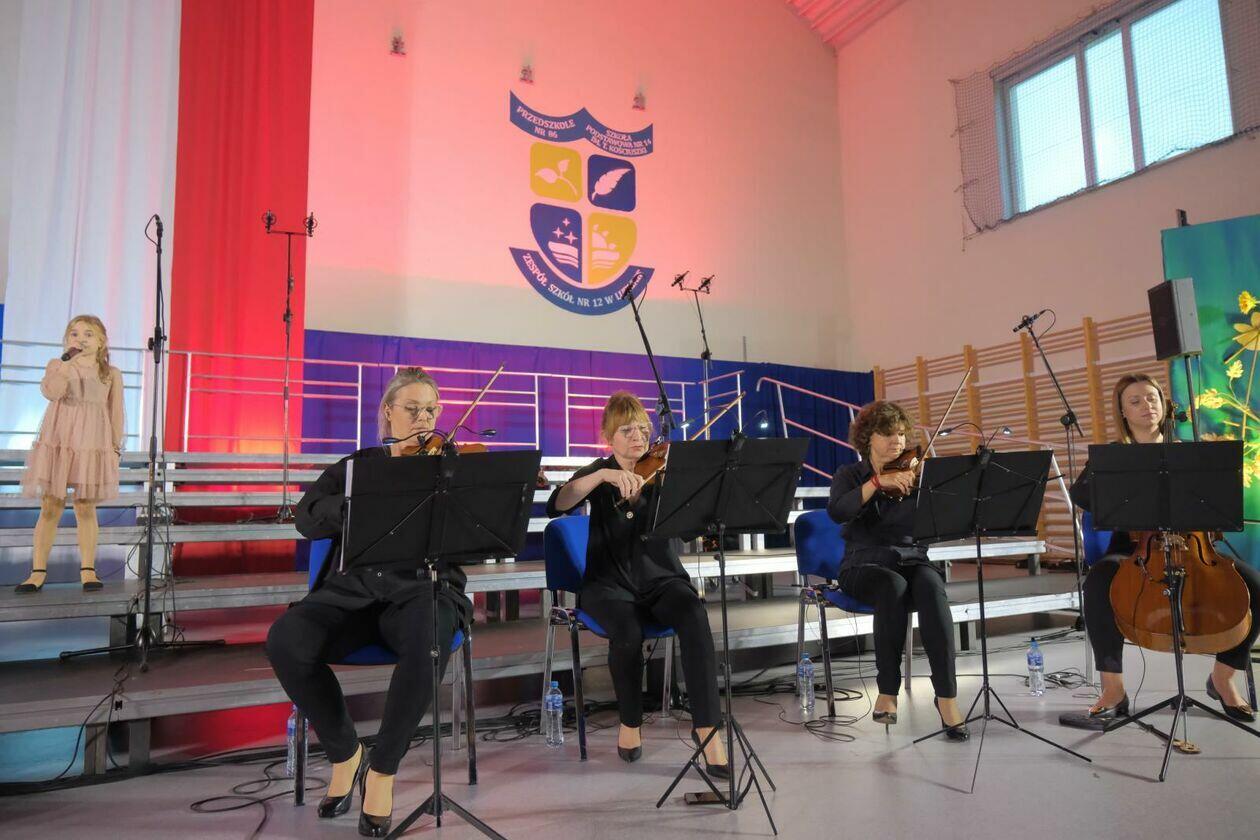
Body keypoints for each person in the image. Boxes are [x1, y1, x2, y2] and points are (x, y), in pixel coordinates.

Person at [265, 367, 471, 837]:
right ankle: (345, 753)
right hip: (354, 595)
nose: (423, 419)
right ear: (388, 413)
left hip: (421, 592)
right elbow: (306, 516)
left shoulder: (450, 468)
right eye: (412, 409)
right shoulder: (358, 466)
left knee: (429, 637)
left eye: (431, 410)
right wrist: (355, 505)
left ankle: (382, 769)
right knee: (286, 640)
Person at [547, 391, 729, 775]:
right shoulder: (599, 473)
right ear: (608, 436)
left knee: (694, 614)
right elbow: (559, 503)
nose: (638, 437)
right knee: (627, 632)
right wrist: (604, 475)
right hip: (608, 585)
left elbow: (692, 525)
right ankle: (630, 722)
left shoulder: (662, 471)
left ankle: (708, 728)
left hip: (661, 578)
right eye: (627, 430)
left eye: (643, 429)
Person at [1066, 373, 1259, 726]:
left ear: (1164, 405)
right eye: (1135, 401)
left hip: (1194, 547)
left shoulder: (1190, 453)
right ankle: (1113, 690)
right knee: (1097, 583)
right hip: (1134, 549)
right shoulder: (1115, 456)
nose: (1146, 406)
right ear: (1123, 412)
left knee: (1255, 586)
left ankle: (1222, 678)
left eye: (1152, 398)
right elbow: (1080, 494)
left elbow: (1217, 501)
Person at [827, 400, 968, 739]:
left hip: (911, 559)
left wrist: (930, 492)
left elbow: (938, 523)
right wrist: (876, 484)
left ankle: (946, 697)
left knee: (931, 587)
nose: (898, 441)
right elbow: (838, 511)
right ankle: (887, 692)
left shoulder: (916, 473)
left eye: (902, 434)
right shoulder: (850, 475)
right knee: (891, 585)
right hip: (864, 563)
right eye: (888, 434)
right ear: (868, 438)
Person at [16, 315, 124, 593]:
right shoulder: (58, 365)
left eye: (88, 334)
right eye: (74, 334)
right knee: (50, 505)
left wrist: (115, 447)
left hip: (91, 445)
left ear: (101, 341)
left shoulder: (111, 374)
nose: (80, 339)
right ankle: (37, 571)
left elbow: (116, 413)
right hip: (60, 442)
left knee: (85, 507)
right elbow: (52, 392)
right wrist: (64, 364)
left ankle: (88, 570)